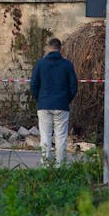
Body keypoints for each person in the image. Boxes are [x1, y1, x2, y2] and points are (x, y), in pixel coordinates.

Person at [30, 37, 78, 165]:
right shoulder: (67, 65)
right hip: (61, 104)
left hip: (44, 104)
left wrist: (39, 99)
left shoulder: (41, 64)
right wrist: (66, 99)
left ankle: (46, 164)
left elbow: (34, 84)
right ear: (60, 48)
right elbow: (73, 86)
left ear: (48, 48)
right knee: (61, 136)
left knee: (45, 136)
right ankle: (60, 164)